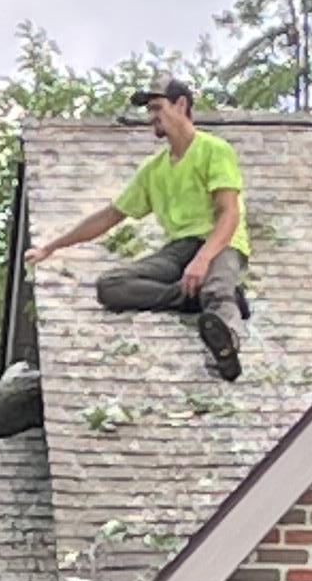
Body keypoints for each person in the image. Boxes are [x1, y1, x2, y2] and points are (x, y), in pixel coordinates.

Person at [29, 80, 250, 379]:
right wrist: (51, 247)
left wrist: (203, 259)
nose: (152, 117)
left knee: (217, 290)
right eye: (149, 111)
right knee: (111, 286)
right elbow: (109, 216)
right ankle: (190, 297)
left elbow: (229, 214)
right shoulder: (153, 169)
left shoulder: (214, 150)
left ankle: (226, 344)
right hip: (179, 250)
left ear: (181, 105)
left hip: (221, 243)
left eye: (158, 108)